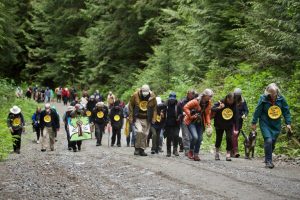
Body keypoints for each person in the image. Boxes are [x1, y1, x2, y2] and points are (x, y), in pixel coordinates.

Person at [252, 83, 292, 168]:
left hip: (276, 124)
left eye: (275, 94)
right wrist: (254, 122)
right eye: (271, 94)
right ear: (268, 93)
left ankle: (267, 157)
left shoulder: (281, 99)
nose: (273, 96)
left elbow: (286, 111)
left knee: (272, 142)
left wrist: (288, 123)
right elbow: (258, 110)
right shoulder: (263, 98)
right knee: (268, 140)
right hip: (265, 122)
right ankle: (269, 162)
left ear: (277, 92)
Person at [183, 89, 213, 161]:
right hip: (191, 121)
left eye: (211, 96)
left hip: (200, 122)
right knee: (195, 137)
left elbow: (207, 114)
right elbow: (185, 107)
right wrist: (190, 115)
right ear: (204, 95)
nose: (210, 97)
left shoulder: (208, 103)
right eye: (209, 96)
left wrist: (208, 123)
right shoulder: (195, 101)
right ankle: (191, 150)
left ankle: (196, 154)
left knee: (200, 139)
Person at [129, 85, 157, 156]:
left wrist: (154, 118)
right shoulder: (135, 95)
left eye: (146, 92)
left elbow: (155, 108)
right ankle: (137, 148)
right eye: (144, 91)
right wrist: (131, 117)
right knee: (139, 131)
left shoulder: (152, 96)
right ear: (141, 90)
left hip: (147, 118)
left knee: (145, 134)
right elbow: (131, 106)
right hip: (137, 117)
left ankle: (142, 149)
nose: (145, 93)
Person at [212, 93, 238, 161]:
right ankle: (217, 153)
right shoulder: (220, 102)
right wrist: (219, 107)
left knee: (229, 138)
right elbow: (212, 109)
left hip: (229, 124)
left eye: (233, 100)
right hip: (219, 123)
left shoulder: (234, 104)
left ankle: (228, 154)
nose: (231, 102)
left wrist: (236, 127)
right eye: (230, 101)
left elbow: (235, 115)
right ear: (227, 99)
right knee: (219, 138)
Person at [232, 88, 249, 158]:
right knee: (233, 134)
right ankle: (235, 151)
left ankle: (232, 151)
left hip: (239, 121)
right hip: (231, 120)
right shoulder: (231, 99)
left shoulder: (243, 101)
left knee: (236, 135)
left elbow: (246, 110)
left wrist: (244, 114)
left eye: (238, 95)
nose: (237, 96)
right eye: (236, 95)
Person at [164, 92, 182, 157]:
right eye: (171, 99)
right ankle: (168, 151)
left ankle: (175, 150)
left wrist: (179, 117)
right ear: (169, 99)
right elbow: (162, 112)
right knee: (169, 137)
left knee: (176, 136)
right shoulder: (166, 104)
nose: (172, 100)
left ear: (175, 99)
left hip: (176, 123)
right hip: (168, 123)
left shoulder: (178, 105)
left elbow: (181, 113)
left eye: (173, 99)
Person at [179, 90, 195, 156]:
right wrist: (182, 114)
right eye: (189, 94)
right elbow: (179, 110)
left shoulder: (195, 101)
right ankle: (187, 150)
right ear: (187, 94)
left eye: (192, 95)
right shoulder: (182, 101)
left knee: (192, 136)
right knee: (185, 135)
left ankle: (191, 149)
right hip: (184, 119)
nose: (190, 96)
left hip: (193, 120)